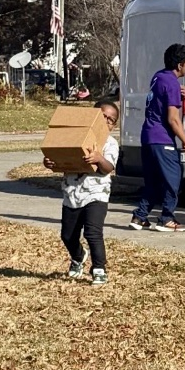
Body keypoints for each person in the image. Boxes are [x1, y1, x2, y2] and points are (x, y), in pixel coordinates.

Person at [43, 98, 120, 285]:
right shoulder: (74, 137)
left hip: (97, 194)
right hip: (72, 193)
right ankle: (78, 256)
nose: (106, 121)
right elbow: (61, 157)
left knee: (93, 232)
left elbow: (108, 168)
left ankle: (99, 268)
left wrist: (98, 158)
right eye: (102, 116)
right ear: (91, 117)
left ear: (114, 125)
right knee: (67, 235)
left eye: (110, 119)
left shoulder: (110, 144)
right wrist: (51, 162)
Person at [129, 43, 185, 233]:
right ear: (180, 65)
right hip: (162, 139)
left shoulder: (158, 76)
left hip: (147, 137)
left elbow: (161, 96)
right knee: (172, 180)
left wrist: (178, 92)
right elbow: (173, 119)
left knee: (154, 181)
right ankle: (166, 219)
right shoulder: (172, 83)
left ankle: (140, 216)